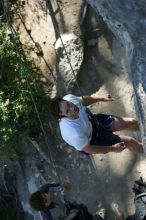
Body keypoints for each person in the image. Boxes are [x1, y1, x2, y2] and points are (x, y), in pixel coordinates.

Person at [50, 94, 143, 155]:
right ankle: (143, 149)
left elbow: (83, 100)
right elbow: (89, 149)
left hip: (91, 122)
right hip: (91, 141)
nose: (72, 108)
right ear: (62, 117)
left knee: (130, 122)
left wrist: (101, 98)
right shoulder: (74, 134)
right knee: (130, 141)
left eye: (68, 104)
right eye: (67, 111)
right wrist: (113, 149)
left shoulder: (70, 99)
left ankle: (143, 132)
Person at [29, 181, 93, 220]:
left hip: (65, 205)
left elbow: (62, 185)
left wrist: (64, 187)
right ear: (44, 208)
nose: (49, 197)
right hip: (64, 215)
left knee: (83, 211)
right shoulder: (46, 215)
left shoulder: (45, 188)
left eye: (45, 195)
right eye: (46, 201)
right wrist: (70, 216)